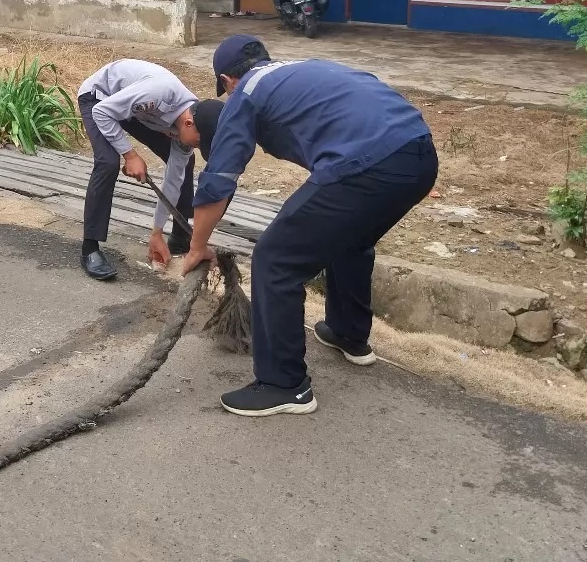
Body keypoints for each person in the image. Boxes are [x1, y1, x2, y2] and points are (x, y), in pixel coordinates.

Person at [186, 34, 437, 417]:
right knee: (349, 239)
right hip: (419, 155)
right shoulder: (305, 68)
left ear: (226, 80)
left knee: (275, 259)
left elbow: (219, 178)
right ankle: (348, 334)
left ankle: (284, 384)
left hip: (368, 163)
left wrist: (197, 246)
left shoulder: (246, 91)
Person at [77, 59, 203, 281]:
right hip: (99, 98)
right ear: (188, 124)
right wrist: (130, 155)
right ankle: (90, 249)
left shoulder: (192, 122)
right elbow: (102, 112)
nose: (197, 146)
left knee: (186, 162)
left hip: (136, 109)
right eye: (198, 142)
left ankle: (179, 237)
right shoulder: (158, 93)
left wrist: (156, 232)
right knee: (108, 162)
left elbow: (173, 181)